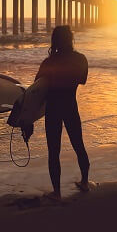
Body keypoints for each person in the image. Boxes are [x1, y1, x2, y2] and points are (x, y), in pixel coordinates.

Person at [35, 25, 90, 201]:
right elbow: (82, 80)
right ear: (71, 39)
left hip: (53, 108)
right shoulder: (81, 59)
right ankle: (85, 182)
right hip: (70, 106)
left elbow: (37, 89)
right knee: (78, 145)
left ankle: (57, 193)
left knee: (54, 151)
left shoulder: (48, 62)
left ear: (54, 41)